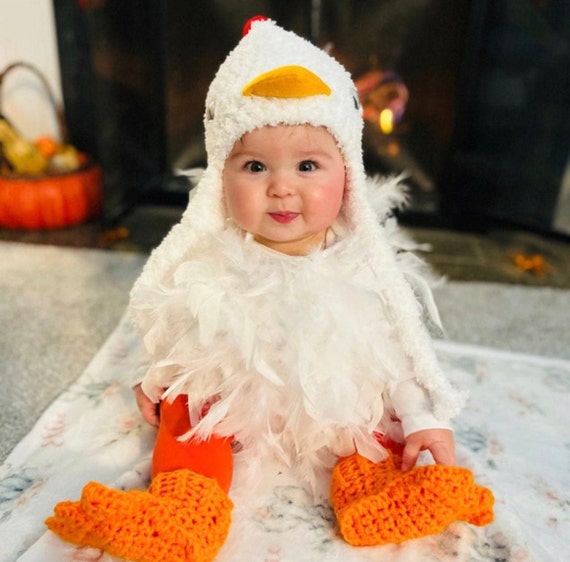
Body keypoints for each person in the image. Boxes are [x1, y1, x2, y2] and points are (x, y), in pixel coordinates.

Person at [46, 17, 494, 562]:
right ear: (219, 180)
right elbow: (183, 328)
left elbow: (397, 352)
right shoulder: (212, 256)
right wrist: (160, 373)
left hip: (332, 396)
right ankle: (185, 508)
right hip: (238, 394)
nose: (281, 187)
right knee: (191, 412)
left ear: (347, 176)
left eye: (308, 165)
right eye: (255, 165)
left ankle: (376, 491)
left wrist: (426, 420)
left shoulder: (360, 266)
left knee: (373, 416)